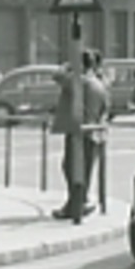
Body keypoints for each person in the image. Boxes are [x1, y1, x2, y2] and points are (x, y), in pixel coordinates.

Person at [50, 50, 109, 224]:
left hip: (78, 131)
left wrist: (69, 65)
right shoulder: (99, 83)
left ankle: (76, 206)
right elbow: (106, 107)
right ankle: (79, 203)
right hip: (94, 132)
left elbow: (57, 75)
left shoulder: (79, 81)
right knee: (83, 170)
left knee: (72, 168)